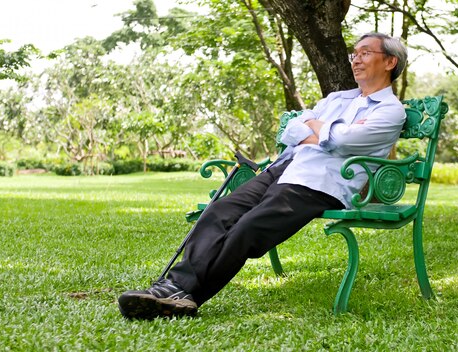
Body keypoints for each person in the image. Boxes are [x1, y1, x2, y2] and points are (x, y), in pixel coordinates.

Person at [118, 32, 408, 320]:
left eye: (365, 53)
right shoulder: (337, 99)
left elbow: (343, 142)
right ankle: (173, 289)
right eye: (354, 53)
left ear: (390, 62)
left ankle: (183, 295)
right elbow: (292, 130)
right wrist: (324, 132)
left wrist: (316, 128)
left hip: (321, 182)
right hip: (282, 169)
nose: (356, 59)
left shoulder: (390, 111)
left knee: (249, 228)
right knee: (219, 212)